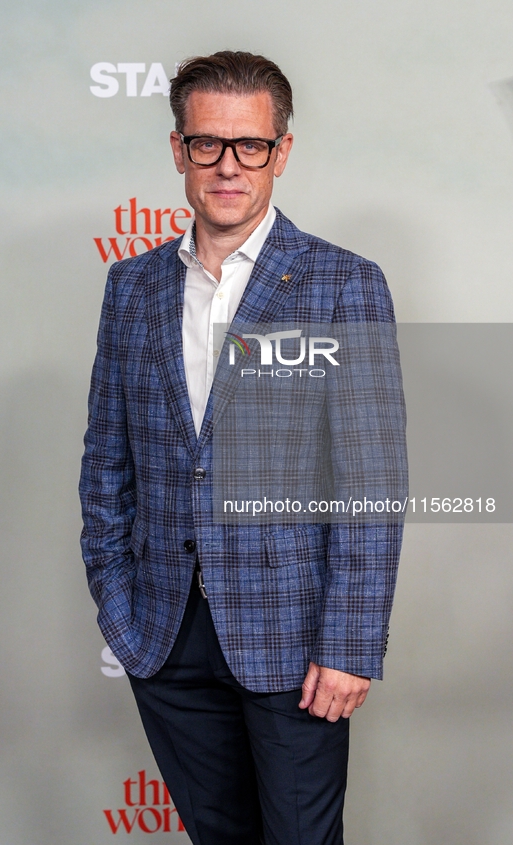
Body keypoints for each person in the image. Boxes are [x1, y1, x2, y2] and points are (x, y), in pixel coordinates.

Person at [80, 50, 406, 845]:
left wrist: (350, 644)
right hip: (163, 634)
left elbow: (369, 479)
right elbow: (106, 461)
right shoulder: (133, 285)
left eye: (249, 145)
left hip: (295, 637)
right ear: (177, 149)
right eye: (206, 144)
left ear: (281, 151)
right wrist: (118, 607)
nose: (228, 166)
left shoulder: (341, 283)